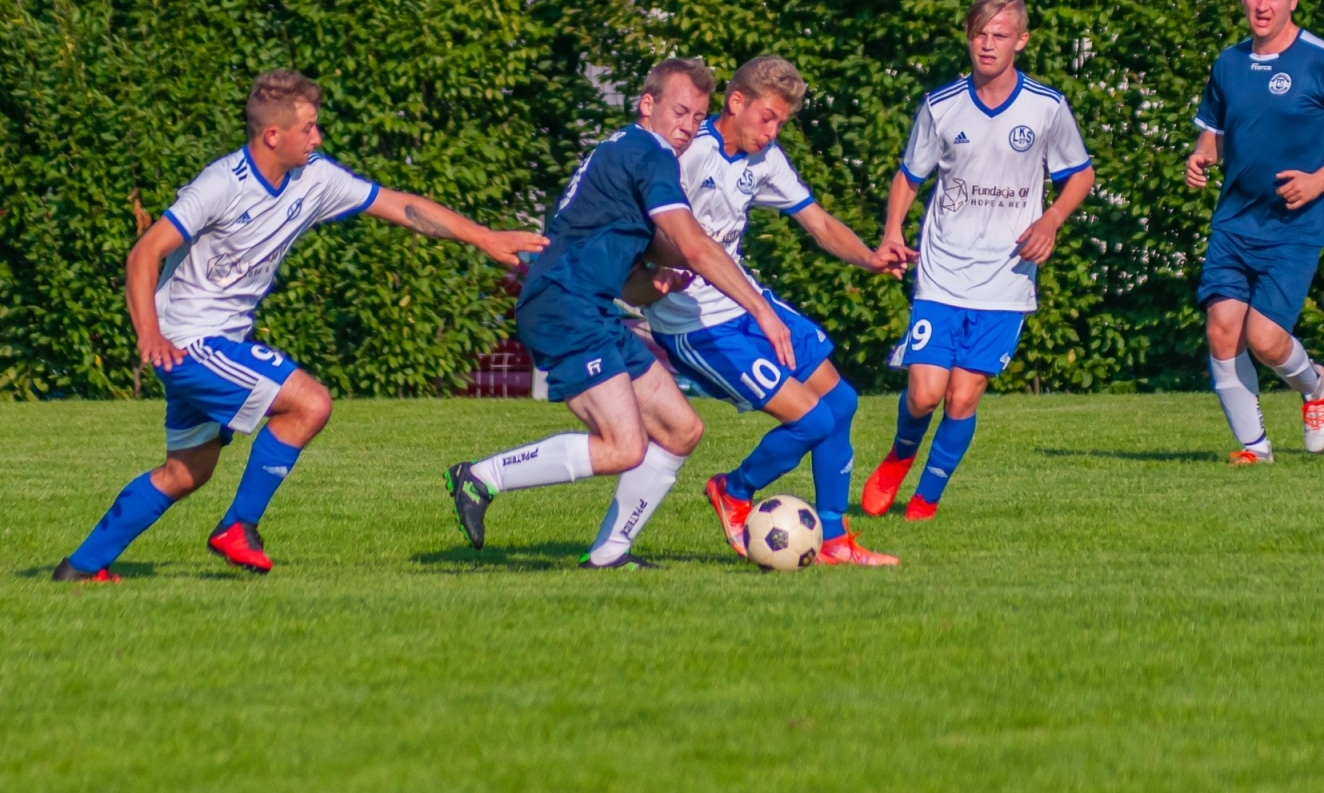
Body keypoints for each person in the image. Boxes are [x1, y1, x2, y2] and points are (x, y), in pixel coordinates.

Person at [54, 69, 546, 582]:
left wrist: (484, 237)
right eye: (309, 128)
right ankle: (238, 526)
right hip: (189, 342)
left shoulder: (316, 178)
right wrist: (149, 333)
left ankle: (81, 567)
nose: (317, 138)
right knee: (310, 403)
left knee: (185, 472)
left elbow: (401, 206)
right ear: (273, 135)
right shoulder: (221, 184)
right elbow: (144, 252)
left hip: (215, 343)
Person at [444, 58, 800, 569]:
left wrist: (660, 270)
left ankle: (609, 553)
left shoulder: (627, 148)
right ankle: (480, 477)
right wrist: (761, 310)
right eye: (679, 111)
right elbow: (691, 244)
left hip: (591, 307)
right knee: (622, 446)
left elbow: (638, 245)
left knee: (681, 429)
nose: (688, 125)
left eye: (698, 117)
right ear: (647, 104)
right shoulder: (649, 153)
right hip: (564, 304)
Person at [628, 56, 915, 567]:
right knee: (812, 420)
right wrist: (649, 275)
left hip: (745, 301)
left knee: (841, 402)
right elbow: (643, 229)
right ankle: (733, 491)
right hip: (695, 323)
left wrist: (871, 258)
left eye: (781, 122)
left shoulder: (766, 159)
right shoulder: (687, 153)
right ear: (736, 102)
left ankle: (835, 539)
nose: (772, 131)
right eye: (768, 118)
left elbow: (819, 223)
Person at [860, 0, 1095, 520]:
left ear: (1021, 41)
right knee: (924, 394)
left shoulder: (1046, 107)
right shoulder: (941, 106)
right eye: (979, 34)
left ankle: (927, 497)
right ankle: (899, 456)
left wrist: (1051, 220)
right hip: (942, 270)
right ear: (968, 37)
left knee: (962, 399)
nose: (988, 44)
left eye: (1000, 35)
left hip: (1006, 277)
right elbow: (909, 175)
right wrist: (892, 230)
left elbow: (1080, 175)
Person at [1185, 0, 1324, 465]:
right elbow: (1214, 133)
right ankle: (1256, 449)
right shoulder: (1228, 63)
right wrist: (1202, 156)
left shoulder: (1323, 62)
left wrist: (1317, 182)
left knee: (1266, 340)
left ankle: (1315, 386)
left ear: (1293, 0)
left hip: (1295, 225)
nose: (1262, 5)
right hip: (1235, 220)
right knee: (1221, 329)